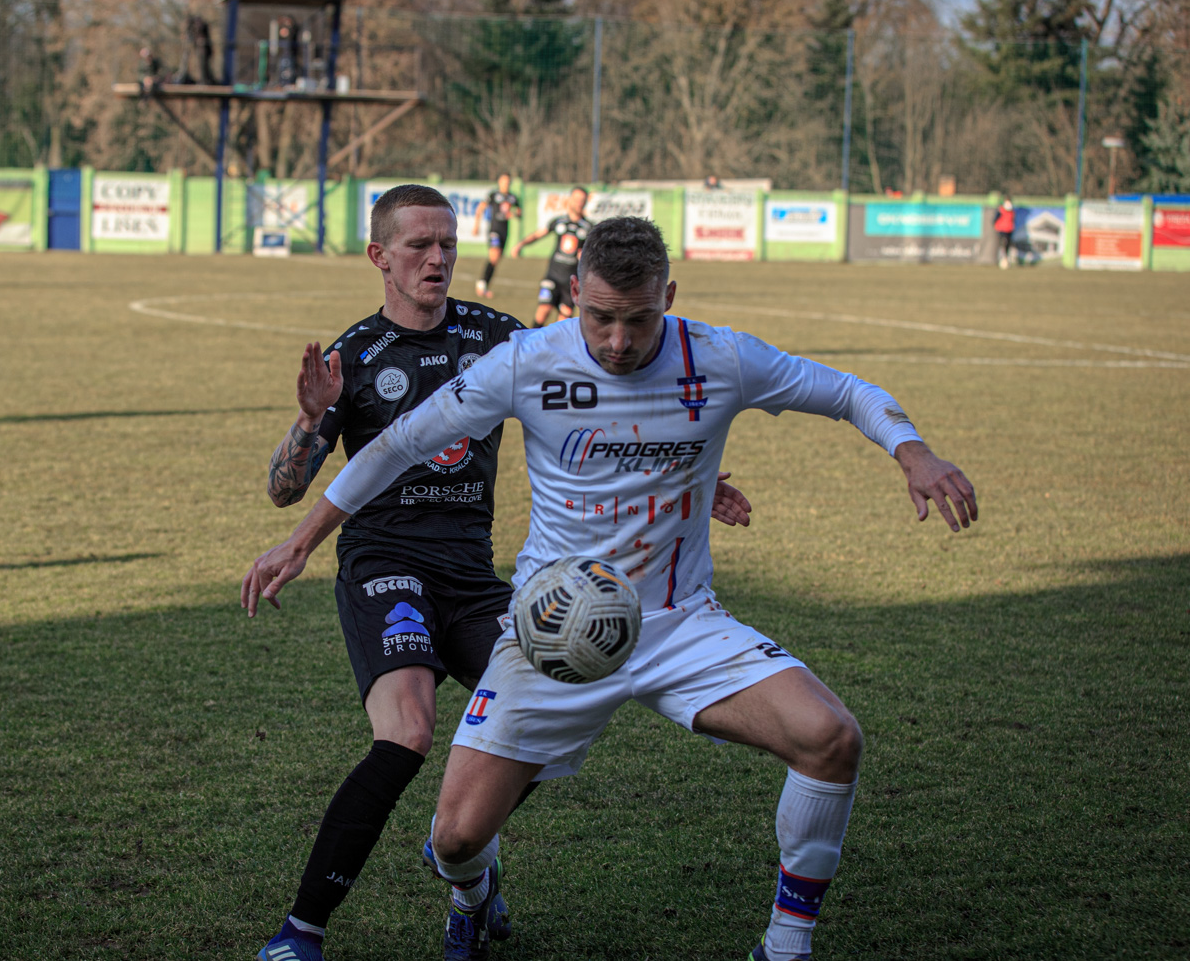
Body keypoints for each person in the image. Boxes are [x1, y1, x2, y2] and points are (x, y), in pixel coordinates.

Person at [242, 216, 978, 961]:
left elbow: (849, 392)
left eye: (638, 319)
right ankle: (471, 891)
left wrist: (913, 453)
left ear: (669, 297)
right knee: (456, 840)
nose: (619, 341)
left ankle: (786, 946)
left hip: (679, 622)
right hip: (551, 630)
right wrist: (302, 541)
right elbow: (400, 443)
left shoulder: (719, 357)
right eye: (600, 318)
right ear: (573, 297)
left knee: (831, 738)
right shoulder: (527, 361)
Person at [251, 190, 754, 961]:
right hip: (385, 562)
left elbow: (595, 399)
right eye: (418, 245)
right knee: (408, 732)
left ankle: (465, 877)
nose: (437, 258)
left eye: (447, 244)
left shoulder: (498, 336)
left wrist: (691, 474)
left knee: (549, 716)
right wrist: (310, 421)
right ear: (379, 257)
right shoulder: (354, 355)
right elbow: (283, 489)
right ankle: (301, 932)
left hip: (471, 571)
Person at [510, 186, 591, 328]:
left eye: (582, 200)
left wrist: (585, 257)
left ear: (585, 203)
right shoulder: (559, 222)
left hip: (571, 282)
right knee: (543, 311)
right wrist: (521, 244)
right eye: (576, 199)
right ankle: (531, 339)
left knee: (563, 324)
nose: (579, 203)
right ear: (570, 200)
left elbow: (595, 253)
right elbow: (538, 234)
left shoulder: (588, 227)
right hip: (552, 277)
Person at [471, 174, 522, 299]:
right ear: (499, 182)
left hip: (505, 232)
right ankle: (482, 284)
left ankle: (484, 285)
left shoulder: (512, 197)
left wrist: (513, 213)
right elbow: (480, 208)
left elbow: (519, 212)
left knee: (496, 259)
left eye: (507, 182)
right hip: (494, 230)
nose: (505, 184)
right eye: (503, 182)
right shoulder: (493, 195)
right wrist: (476, 225)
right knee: (494, 256)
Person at [994, 195, 1016, 269]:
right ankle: (1001, 258)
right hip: (1002, 230)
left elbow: (1012, 220)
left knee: (1008, 245)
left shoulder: (1012, 211)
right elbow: (995, 219)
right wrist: (996, 226)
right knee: (1003, 243)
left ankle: (1006, 258)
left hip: (1009, 230)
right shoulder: (1001, 210)